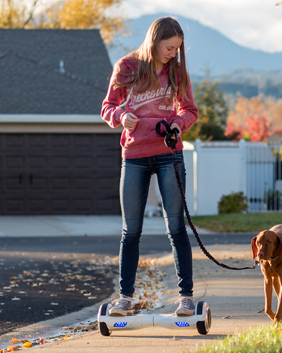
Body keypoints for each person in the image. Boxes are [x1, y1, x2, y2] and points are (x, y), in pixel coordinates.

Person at [100, 16, 198, 317]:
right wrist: (120, 117)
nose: (172, 53)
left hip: (169, 153)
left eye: (177, 49)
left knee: (176, 228)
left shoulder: (177, 72)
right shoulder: (127, 68)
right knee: (131, 231)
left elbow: (190, 110)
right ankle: (125, 299)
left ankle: (185, 298)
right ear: (154, 41)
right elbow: (107, 107)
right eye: (169, 47)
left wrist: (178, 124)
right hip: (134, 156)